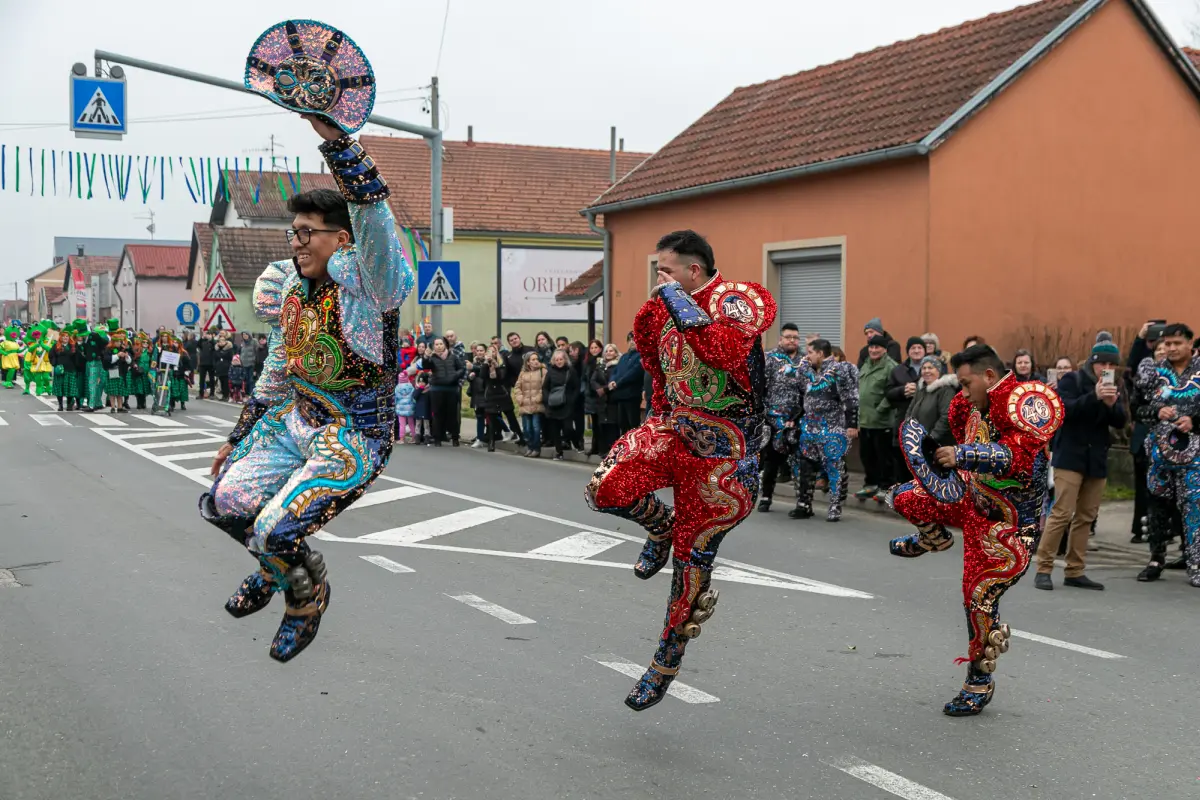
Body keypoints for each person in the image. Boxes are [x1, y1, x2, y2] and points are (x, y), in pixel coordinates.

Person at [200, 110, 414, 662]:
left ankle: (304, 594)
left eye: (307, 233)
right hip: (295, 422)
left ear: (342, 239)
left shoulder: (369, 287)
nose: (296, 243)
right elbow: (277, 370)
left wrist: (341, 144)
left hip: (353, 435)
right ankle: (276, 571)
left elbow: (375, 225)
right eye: (292, 233)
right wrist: (238, 434)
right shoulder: (291, 294)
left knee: (273, 528)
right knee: (225, 503)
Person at [585, 229, 775, 711]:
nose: (658, 280)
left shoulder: (738, 298)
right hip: (675, 431)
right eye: (658, 272)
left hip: (725, 454)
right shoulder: (657, 313)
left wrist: (674, 297)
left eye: (666, 271)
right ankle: (660, 527)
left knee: (691, 568)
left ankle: (665, 662)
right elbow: (659, 373)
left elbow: (724, 353)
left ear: (694, 270)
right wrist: (657, 424)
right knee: (606, 487)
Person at [888, 345, 1062, 715]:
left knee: (979, 598)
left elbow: (1020, 461)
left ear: (987, 376)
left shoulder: (1025, 403)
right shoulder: (969, 404)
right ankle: (932, 538)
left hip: (1006, 524)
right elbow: (957, 439)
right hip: (969, 496)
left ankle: (978, 681)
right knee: (904, 496)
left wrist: (963, 454)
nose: (962, 392)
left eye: (966, 383)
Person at [1034, 334, 1125, 591]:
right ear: (1092, 363)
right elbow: (1063, 410)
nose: (1106, 369)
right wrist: (1093, 396)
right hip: (1070, 457)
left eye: (1111, 365)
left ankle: (1075, 570)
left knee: (1086, 516)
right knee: (1061, 512)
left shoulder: (1114, 386)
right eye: (1102, 364)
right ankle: (1044, 567)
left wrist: (1110, 404)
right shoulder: (1072, 380)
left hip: (1096, 459)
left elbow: (1120, 421)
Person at [1137, 322, 1200, 586]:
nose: (1172, 348)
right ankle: (1156, 559)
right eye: (1168, 343)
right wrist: (1155, 412)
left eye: (1177, 343)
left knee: (1194, 508)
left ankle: (1196, 562)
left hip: (1195, 457)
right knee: (1157, 507)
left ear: (1189, 343)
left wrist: (1194, 421)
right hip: (1159, 455)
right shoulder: (1154, 372)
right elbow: (1136, 408)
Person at [788, 337, 859, 522]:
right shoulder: (809, 372)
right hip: (809, 428)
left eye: (810, 352)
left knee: (834, 467)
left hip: (831, 429)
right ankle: (804, 504)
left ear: (820, 353)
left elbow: (850, 398)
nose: (807, 356)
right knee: (805, 465)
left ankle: (835, 506)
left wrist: (851, 424)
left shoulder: (840, 370)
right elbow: (802, 398)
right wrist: (794, 419)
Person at [759, 323, 804, 512]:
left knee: (800, 461)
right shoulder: (770, 359)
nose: (791, 340)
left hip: (798, 418)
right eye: (788, 337)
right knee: (772, 461)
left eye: (795, 337)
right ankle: (766, 497)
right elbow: (761, 386)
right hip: (774, 418)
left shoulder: (804, 361)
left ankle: (803, 502)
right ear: (781, 339)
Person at [855, 335, 898, 500]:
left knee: (884, 457)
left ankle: (886, 487)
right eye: (871, 347)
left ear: (885, 349)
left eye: (877, 347)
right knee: (867, 455)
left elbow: (893, 392)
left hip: (882, 421)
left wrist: (881, 408)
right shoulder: (865, 365)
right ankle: (870, 485)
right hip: (865, 420)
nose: (873, 350)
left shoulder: (891, 367)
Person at [884, 337, 927, 482]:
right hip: (903, 419)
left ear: (924, 351)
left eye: (919, 348)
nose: (916, 351)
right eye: (912, 348)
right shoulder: (898, 370)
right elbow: (888, 392)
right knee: (902, 462)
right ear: (908, 352)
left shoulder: (931, 367)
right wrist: (902, 390)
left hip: (925, 421)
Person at [905, 355, 958, 446]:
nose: (926, 371)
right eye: (924, 368)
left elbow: (946, 416)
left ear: (938, 370)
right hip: (918, 442)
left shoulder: (946, 390)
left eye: (930, 368)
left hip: (937, 444)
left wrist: (932, 437)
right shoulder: (921, 389)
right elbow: (910, 411)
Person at [426, 336, 466, 447]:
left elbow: (462, 368)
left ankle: (455, 437)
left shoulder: (453, 357)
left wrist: (455, 376)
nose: (439, 346)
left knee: (452, 415)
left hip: (451, 389)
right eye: (436, 344)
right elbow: (425, 366)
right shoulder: (432, 358)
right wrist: (426, 357)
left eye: (441, 344)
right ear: (434, 346)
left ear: (445, 345)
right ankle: (437, 438)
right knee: (437, 414)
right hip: (437, 389)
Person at [542, 349, 578, 461]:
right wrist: (548, 399)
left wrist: (571, 400)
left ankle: (575, 442)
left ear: (565, 359)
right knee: (555, 430)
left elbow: (576, 387)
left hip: (566, 404)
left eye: (561, 359)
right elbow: (545, 387)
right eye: (556, 359)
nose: (559, 361)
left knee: (568, 428)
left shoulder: (570, 371)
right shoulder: (550, 371)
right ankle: (559, 452)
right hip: (553, 405)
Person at [609, 332, 646, 435]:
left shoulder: (640, 356)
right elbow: (616, 371)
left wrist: (618, 383)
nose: (632, 342)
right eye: (629, 340)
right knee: (622, 423)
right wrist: (612, 381)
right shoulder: (624, 357)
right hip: (621, 395)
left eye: (634, 339)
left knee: (633, 423)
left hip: (632, 395)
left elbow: (633, 373)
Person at [589, 344, 622, 458]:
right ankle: (603, 450)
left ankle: (613, 450)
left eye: (611, 351)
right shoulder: (600, 366)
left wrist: (605, 389)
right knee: (603, 425)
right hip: (601, 400)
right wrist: (598, 388)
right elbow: (593, 380)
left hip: (612, 399)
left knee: (612, 426)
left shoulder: (618, 366)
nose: (608, 353)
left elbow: (614, 382)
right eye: (607, 351)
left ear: (616, 353)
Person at [515, 351, 547, 457]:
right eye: (533, 360)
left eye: (537, 359)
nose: (535, 361)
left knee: (536, 427)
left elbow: (545, 387)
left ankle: (536, 448)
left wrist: (539, 397)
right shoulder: (523, 373)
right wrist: (520, 398)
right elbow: (517, 387)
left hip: (536, 404)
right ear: (528, 362)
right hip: (525, 404)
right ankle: (530, 446)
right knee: (527, 428)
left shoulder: (543, 371)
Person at [583, 340, 605, 455]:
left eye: (596, 347)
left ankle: (602, 448)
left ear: (601, 348)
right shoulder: (588, 362)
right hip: (591, 396)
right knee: (594, 424)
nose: (594, 350)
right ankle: (594, 447)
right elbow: (585, 379)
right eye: (591, 348)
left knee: (601, 423)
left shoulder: (603, 361)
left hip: (600, 395)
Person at [129, 332, 153, 410]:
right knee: (139, 388)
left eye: (147, 342)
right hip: (139, 371)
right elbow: (133, 359)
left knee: (145, 388)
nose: (145, 344)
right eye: (144, 342)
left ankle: (143, 402)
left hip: (147, 372)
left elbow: (153, 361)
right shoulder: (138, 351)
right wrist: (135, 365)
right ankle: (139, 403)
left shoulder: (150, 352)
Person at [394, 370, 416, 444]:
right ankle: (414, 438)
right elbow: (413, 397)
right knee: (411, 423)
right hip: (410, 407)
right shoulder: (411, 386)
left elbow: (396, 398)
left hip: (400, 408)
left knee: (402, 424)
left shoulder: (397, 387)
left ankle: (401, 439)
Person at [213, 332, 234, 401]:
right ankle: (223, 395)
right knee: (221, 382)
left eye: (223, 341)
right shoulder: (217, 349)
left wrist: (221, 355)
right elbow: (216, 357)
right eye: (220, 341)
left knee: (225, 382)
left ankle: (226, 395)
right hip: (219, 367)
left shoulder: (229, 348)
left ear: (225, 341)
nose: (221, 342)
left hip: (226, 367)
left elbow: (229, 357)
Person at [196, 330, 215, 399]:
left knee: (212, 379)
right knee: (201, 379)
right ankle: (201, 394)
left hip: (211, 363)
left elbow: (215, 346)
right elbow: (197, 345)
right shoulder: (202, 341)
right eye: (205, 334)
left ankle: (212, 394)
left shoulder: (213, 342)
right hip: (202, 363)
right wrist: (202, 337)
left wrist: (211, 339)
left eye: (207, 334)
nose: (206, 335)